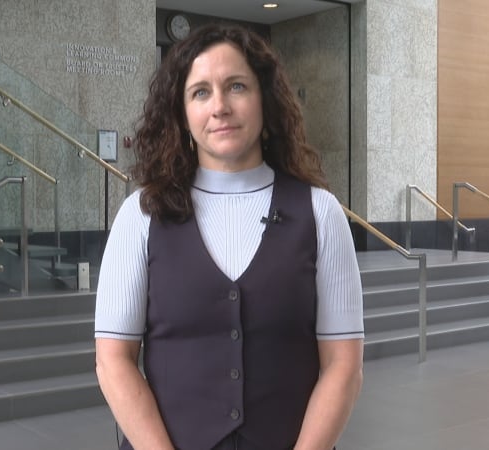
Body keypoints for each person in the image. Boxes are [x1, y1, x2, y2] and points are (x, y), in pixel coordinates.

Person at [94, 22, 364, 450]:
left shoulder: (320, 212)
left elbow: (343, 365)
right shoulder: (141, 215)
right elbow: (113, 362)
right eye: (200, 92)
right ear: (182, 114)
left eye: (236, 86)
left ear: (265, 101)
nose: (219, 106)